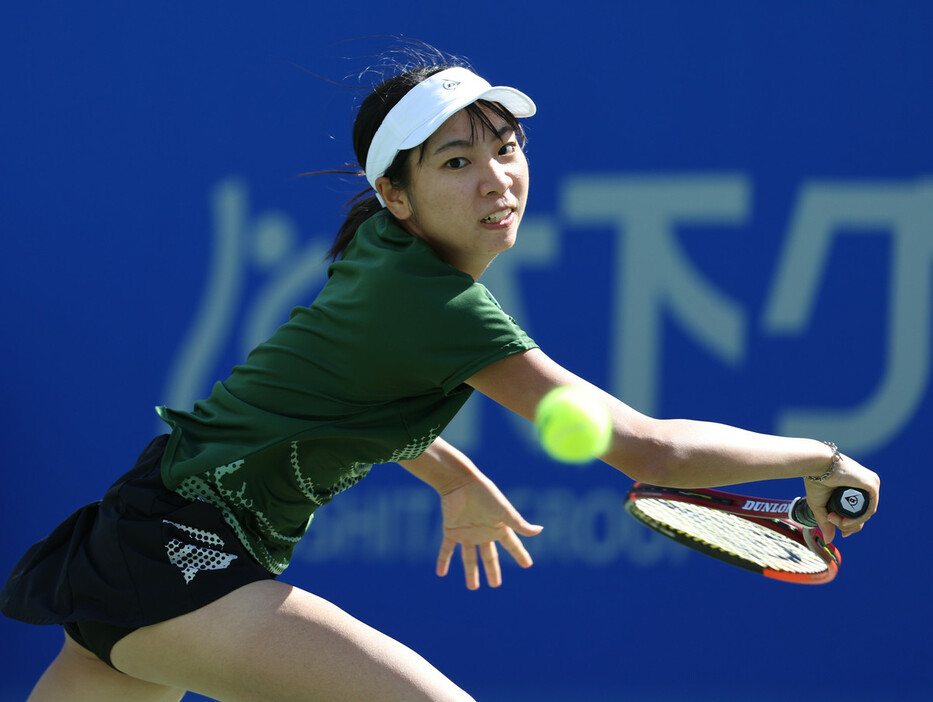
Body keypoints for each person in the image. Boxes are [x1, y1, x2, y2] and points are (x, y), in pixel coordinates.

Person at [1, 52, 880, 702]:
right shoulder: (435, 305)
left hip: (147, 532)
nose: (497, 177)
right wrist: (819, 456)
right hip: (180, 557)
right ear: (396, 194)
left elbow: (342, 396)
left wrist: (453, 478)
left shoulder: (387, 257)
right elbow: (648, 450)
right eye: (456, 162)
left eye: (504, 147)